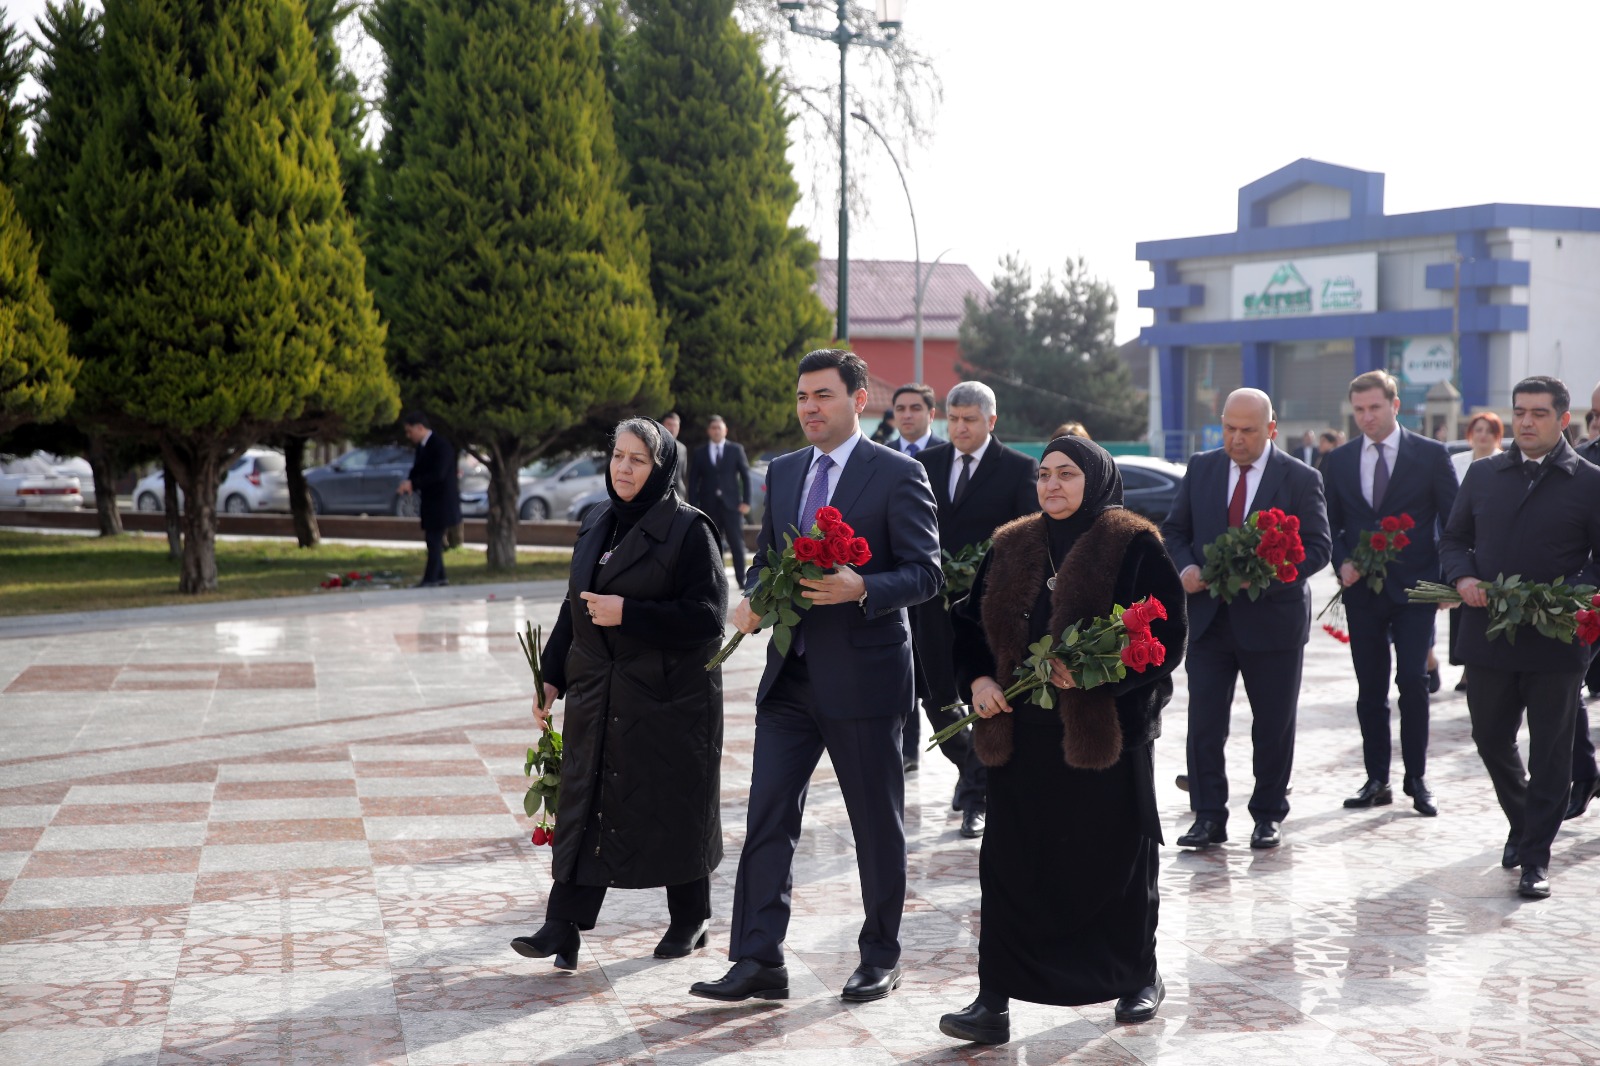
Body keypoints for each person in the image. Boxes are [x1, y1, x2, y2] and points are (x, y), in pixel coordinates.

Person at [689, 349, 942, 1004]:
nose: (809, 408)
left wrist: (864, 586)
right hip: (789, 678)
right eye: (802, 396)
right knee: (769, 815)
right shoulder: (785, 470)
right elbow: (768, 557)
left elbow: (926, 572)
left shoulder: (898, 474)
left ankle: (880, 954)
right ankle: (757, 959)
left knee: (873, 823)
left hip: (864, 679)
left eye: (823, 395)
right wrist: (753, 596)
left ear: (859, 401)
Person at [937, 437, 1187, 1045]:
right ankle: (993, 999)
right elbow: (966, 627)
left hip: (1104, 734)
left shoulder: (1134, 544)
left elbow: (1168, 639)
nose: (1051, 485)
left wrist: (1102, 673)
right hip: (1022, 737)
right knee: (1010, 866)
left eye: (1066, 474)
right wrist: (978, 679)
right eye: (1044, 475)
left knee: (1115, 864)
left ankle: (1137, 977)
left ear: (1095, 478)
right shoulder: (1012, 542)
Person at [511, 418, 728, 968]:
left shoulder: (689, 530)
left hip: (667, 701)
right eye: (618, 456)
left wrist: (630, 613)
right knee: (587, 805)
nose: (624, 469)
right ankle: (561, 925)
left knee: (670, 807)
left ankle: (691, 917)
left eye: (639, 460)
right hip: (597, 691)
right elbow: (573, 605)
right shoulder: (597, 520)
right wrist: (552, 676)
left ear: (662, 468)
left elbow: (707, 619)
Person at [1441, 376, 1600, 899]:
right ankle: (1526, 820)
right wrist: (1463, 578)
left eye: (1537, 413)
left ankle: (1536, 856)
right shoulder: (1484, 474)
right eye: (1520, 412)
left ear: (1562, 418)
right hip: (1489, 635)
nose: (1526, 422)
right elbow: (1456, 538)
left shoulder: (1589, 481)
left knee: (1551, 752)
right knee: (1490, 738)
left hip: (1557, 641)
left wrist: (1569, 596)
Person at [1161, 388, 1331, 851]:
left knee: (1272, 725)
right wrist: (1185, 569)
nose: (1236, 439)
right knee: (1204, 723)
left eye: (1248, 431)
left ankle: (1268, 814)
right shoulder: (1202, 467)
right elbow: (1175, 530)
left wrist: (1263, 578)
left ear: (1271, 429)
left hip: (1273, 622)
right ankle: (1209, 817)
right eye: (1229, 428)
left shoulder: (1300, 477)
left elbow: (1317, 547)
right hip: (1209, 620)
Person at [1322, 371, 1457, 817]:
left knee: (1413, 683)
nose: (1366, 417)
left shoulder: (1431, 455)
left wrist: (1449, 581)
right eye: (1359, 410)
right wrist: (1341, 561)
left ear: (1395, 406)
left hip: (1418, 588)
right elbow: (1331, 526)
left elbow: (1454, 524)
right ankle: (1376, 778)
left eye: (1374, 408)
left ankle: (1417, 778)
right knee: (1370, 687)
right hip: (1363, 592)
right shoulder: (1339, 462)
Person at [910, 381, 1038, 837]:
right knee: (938, 701)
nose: (960, 428)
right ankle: (975, 773)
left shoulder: (1019, 469)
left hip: (988, 609)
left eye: (970, 419)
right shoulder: (924, 464)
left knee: (984, 699)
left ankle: (975, 795)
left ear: (991, 421)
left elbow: (1028, 538)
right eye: (954, 419)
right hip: (931, 604)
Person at [1447, 412, 1505, 691]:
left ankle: (1481, 667)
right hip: (1461, 544)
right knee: (1460, 608)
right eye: (1477, 429)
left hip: (1490, 544)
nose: (1482, 435)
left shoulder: (1503, 464)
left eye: (1488, 430)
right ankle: (1465, 665)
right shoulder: (1456, 463)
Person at [1565, 379, 1600, 821]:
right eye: (1595, 414)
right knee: (1564, 685)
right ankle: (1584, 772)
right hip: (1589, 599)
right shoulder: (1583, 464)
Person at [398, 412, 461, 588]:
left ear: (420, 427)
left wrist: (415, 483)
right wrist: (409, 482)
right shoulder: (422, 447)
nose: (408, 436)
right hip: (430, 501)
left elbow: (438, 474)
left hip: (442, 502)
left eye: (410, 431)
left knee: (433, 539)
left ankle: (431, 578)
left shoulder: (441, 446)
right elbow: (417, 469)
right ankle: (440, 577)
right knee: (432, 539)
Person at [688, 415, 753, 580]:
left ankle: (741, 580)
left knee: (736, 544)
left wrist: (746, 501)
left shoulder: (736, 449)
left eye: (719, 428)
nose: (716, 431)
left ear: (725, 430)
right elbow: (694, 480)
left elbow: (746, 476)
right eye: (713, 428)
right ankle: (717, 581)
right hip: (709, 506)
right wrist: (694, 505)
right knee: (713, 544)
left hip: (732, 505)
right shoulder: (700, 452)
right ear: (709, 431)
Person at [891, 383, 943, 456]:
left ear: (931, 414)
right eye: (900, 409)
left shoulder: (948, 454)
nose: (907, 416)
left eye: (915, 409)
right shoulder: (882, 454)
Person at [661, 412, 690, 498]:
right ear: (662, 425)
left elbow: (682, 474)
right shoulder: (655, 445)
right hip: (659, 495)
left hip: (677, 495)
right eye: (669, 424)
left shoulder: (682, 448)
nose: (672, 428)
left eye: (675, 425)